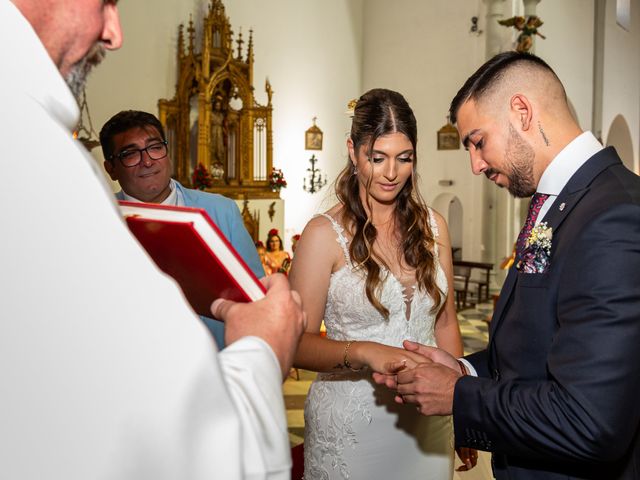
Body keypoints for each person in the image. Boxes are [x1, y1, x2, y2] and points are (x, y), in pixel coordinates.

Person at [0, 1, 305, 479]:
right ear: (113, 166)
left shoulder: (218, 209)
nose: (115, 33)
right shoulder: (66, 184)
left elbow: (248, 293)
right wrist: (264, 350)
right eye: (104, 4)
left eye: (155, 147)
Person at [374, 52, 640, 479]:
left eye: (477, 141)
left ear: (522, 112)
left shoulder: (612, 217)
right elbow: (539, 345)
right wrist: (465, 368)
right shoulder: (558, 204)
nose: (475, 164)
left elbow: (591, 422)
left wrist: (460, 395)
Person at [289, 88, 475, 479]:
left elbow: (445, 324)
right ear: (353, 152)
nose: (391, 173)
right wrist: (365, 351)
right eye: (378, 158)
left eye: (404, 158)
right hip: (353, 429)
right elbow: (296, 343)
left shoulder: (433, 226)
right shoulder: (324, 235)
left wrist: (463, 405)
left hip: (429, 421)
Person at [99, 109, 263, 350]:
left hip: (212, 357)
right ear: (111, 168)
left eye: (155, 147)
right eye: (129, 154)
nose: (147, 161)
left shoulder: (222, 212)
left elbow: (257, 298)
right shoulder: (99, 218)